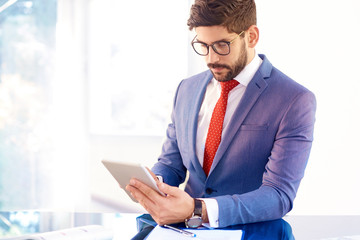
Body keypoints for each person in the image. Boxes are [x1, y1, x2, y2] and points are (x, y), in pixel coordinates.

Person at [126, 0, 316, 228]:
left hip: (254, 232)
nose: (210, 58)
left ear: (252, 36)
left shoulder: (293, 100)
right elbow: (171, 163)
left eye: (222, 45)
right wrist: (155, 184)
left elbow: (279, 195)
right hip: (185, 231)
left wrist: (198, 208)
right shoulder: (186, 90)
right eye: (203, 45)